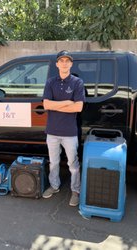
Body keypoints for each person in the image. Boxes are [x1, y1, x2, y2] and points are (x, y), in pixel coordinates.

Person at [42, 50, 85, 206]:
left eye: (67, 61)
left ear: (71, 64)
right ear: (57, 64)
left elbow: (78, 107)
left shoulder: (77, 83)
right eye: (62, 61)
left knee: (73, 164)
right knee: (53, 163)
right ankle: (54, 186)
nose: (65, 63)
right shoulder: (50, 82)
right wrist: (67, 101)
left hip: (69, 133)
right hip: (52, 132)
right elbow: (46, 105)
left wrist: (55, 106)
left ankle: (75, 191)